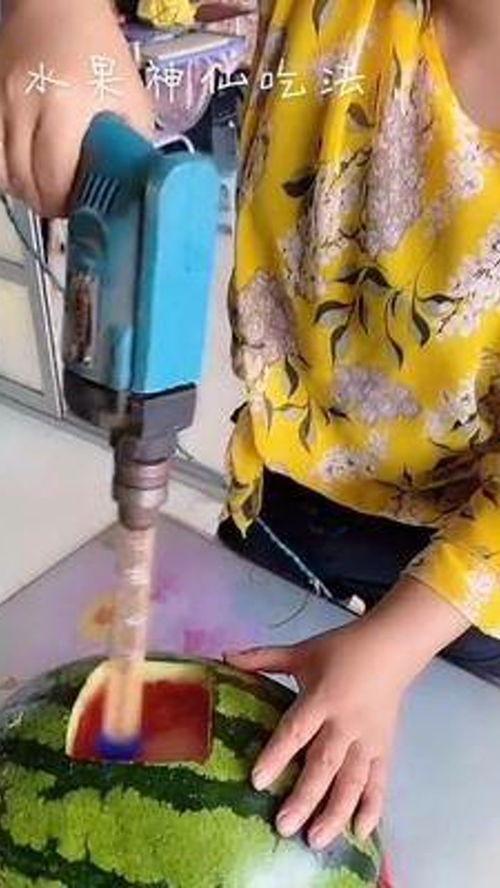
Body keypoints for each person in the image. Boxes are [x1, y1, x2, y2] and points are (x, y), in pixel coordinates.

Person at [1, 0, 499, 856]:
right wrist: (55, 14)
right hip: (285, 494)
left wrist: (395, 645)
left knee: (450, 789)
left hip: (470, 580)